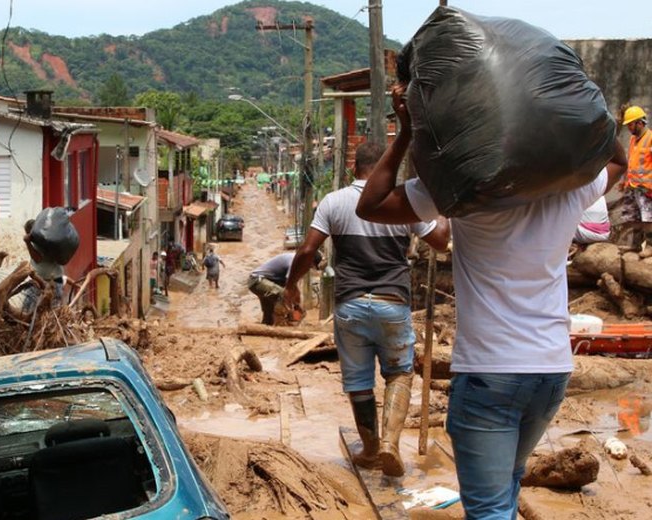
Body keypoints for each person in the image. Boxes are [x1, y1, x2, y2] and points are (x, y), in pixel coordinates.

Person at [354, 84, 627, 517]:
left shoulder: (466, 190)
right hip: (551, 372)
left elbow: (371, 204)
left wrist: (406, 130)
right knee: (508, 486)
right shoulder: (567, 190)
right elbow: (618, 161)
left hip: (490, 375)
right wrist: (590, 103)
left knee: (488, 509)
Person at [283, 141, 450, 477]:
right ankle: (390, 442)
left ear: (353, 168)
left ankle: (370, 448)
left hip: (350, 306)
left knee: (358, 380)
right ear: (391, 168)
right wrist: (441, 202)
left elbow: (306, 250)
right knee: (399, 373)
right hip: (393, 303)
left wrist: (291, 285)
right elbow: (441, 240)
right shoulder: (403, 202)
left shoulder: (334, 202)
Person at [248, 251, 322, 325]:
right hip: (257, 281)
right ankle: (282, 326)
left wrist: (296, 305)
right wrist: (295, 307)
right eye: (310, 265)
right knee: (283, 297)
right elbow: (289, 288)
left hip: (264, 281)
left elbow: (293, 287)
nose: (309, 268)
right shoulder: (294, 262)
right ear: (308, 259)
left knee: (269, 313)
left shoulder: (298, 261)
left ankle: (266, 328)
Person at [615, 105, 652, 252]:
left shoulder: (650, 138)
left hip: (647, 188)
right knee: (633, 216)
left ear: (640, 122)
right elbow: (630, 162)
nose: (629, 127)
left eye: (631, 124)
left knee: (648, 217)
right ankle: (635, 245)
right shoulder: (632, 140)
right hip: (633, 185)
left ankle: (650, 246)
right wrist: (624, 182)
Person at [23, 219, 65, 311]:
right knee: (29, 310)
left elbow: (37, 258)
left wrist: (28, 243)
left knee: (48, 313)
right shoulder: (45, 238)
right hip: (43, 281)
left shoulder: (42, 241)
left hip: (49, 283)